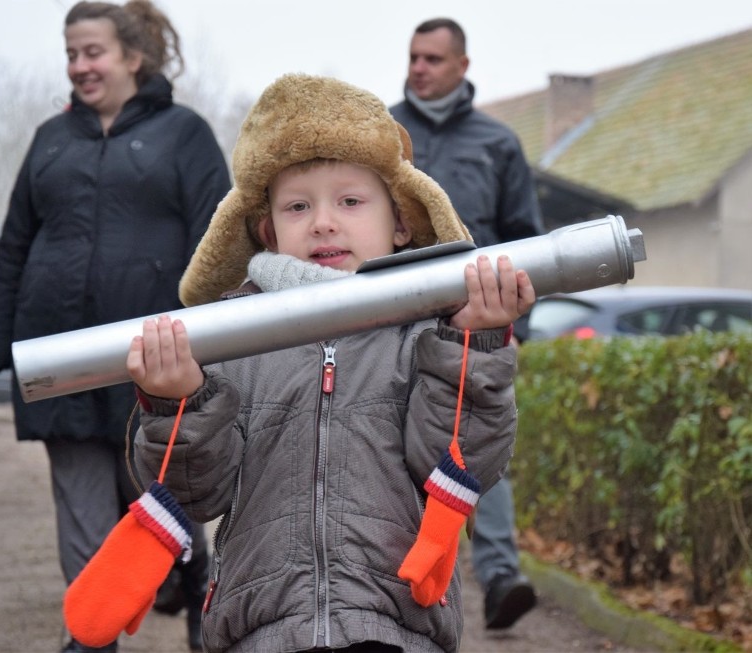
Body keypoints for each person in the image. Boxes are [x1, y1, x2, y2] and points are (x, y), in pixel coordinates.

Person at [125, 74, 535, 653]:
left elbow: (458, 465)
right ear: (268, 231)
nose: (322, 221)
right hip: (262, 629)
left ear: (400, 222)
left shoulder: (430, 331)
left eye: (349, 201)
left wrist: (474, 347)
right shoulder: (228, 337)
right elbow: (196, 494)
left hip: (396, 626)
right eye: (298, 206)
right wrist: (178, 403)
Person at [0, 2, 230, 651]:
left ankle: (194, 575)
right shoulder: (50, 139)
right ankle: (90, 637)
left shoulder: (184, 133)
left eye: (93, 52)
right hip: (59, 351)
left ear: (132, 57)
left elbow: (217, 240)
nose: (81, 67)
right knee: (81, 509)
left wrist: (222, 333)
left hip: (154, 354)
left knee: (151, 496)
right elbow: (16, 240)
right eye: (72, 54)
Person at [390, 18, 545, 632]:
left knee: (470, 449)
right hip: (391, 325)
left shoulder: (497, 143)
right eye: (413, 57)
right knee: (397, 451)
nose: (419, 67)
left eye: (432, 58)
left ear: (462, 65)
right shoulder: (384, 136)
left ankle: (500, 575)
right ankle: (408, 577)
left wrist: (510, 325)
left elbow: (526, 239)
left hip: (472, 323)